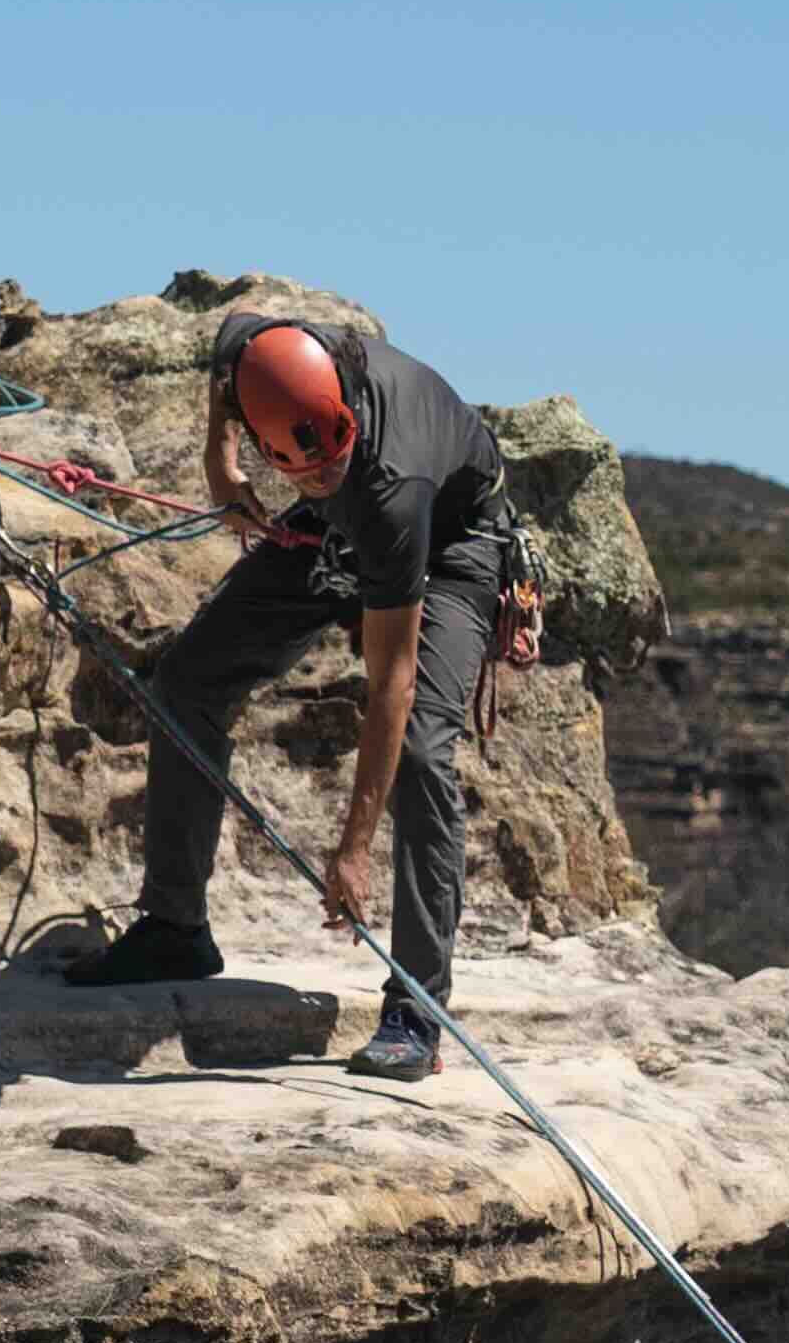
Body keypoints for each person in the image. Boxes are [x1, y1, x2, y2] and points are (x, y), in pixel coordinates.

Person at [68, 311, 511, 1080]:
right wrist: (223, 466)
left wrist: (351, 851)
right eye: (301, 472)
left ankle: (416, 1010)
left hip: (447, 545)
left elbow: (392, 682)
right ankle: (175, 926)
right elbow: (228, 357)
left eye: (329, 461)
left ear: (342, 410)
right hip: (337, 532)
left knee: (420, 752)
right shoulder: (259, 358)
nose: (318, 476)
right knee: (187, 680)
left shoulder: (390, 482)